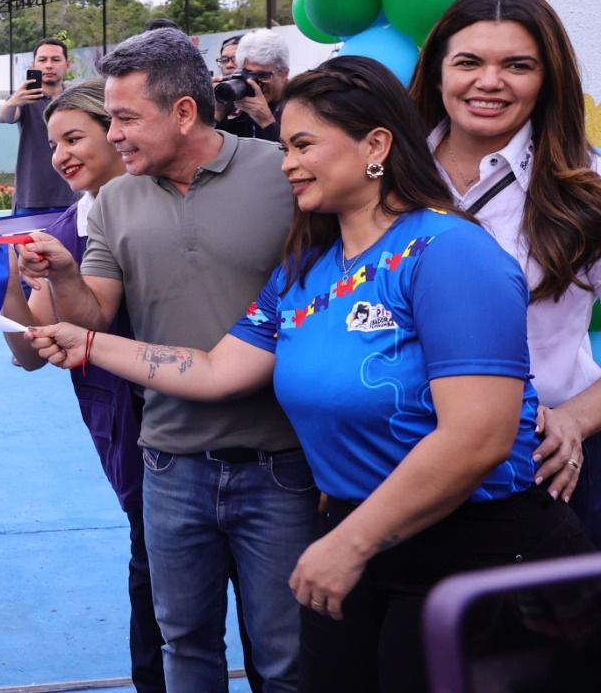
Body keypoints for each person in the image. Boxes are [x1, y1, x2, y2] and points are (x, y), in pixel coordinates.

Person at [30, 56, 593, 692]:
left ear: (376, 145)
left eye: (302, 146)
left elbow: (479, 436)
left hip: (475, 560)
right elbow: (216, 369)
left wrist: (349, 542)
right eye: (286, 146)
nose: (287, 163)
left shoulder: (449, 251)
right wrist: (89, 344)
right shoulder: (307, 271)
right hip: (363, 556)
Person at [26, 28, 308, 691]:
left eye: (125, 118)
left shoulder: (281, 176)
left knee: (286, 655)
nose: (112, 134)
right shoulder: (116, 200)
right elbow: (91, 314)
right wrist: (63, 276)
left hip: (283, 467)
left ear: (184, 112)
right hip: (170, 464)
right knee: (184, 646)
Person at [0, 79, 162, 692]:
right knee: (156, 590)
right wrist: (2, 278)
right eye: (54, 144)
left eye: (74, 137)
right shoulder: (62, 229)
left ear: (120, 130)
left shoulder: (171, 207)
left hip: (212, 420)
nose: (60, 156)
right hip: (134, 434)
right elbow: (30, 353)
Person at [413, 0, 601, 547]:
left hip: (546, 465)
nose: (489, 82)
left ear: (547, 79)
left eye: (517, 65)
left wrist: (576, 418)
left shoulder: (587, 188)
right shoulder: (385, 175)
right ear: (438, 71)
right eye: (468, 62)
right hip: (394, 462)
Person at [0, 38, 80, 217]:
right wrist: (13, 101)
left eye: (56, 59)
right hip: (31, 197)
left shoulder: (77, 99)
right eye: (42, 60)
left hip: (70, 196)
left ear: (67, 65)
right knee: (27, 246)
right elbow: (6, 117)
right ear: (33, 65)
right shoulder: (25, 99)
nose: (49, 65)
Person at [217, 29, 289, 143]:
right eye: (248, 74)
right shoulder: (241, 100)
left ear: (283, 74)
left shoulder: (301, 104)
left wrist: (267, 122)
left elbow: (297, 155)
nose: (254, 83)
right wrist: (216, 116)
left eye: (263, 75)